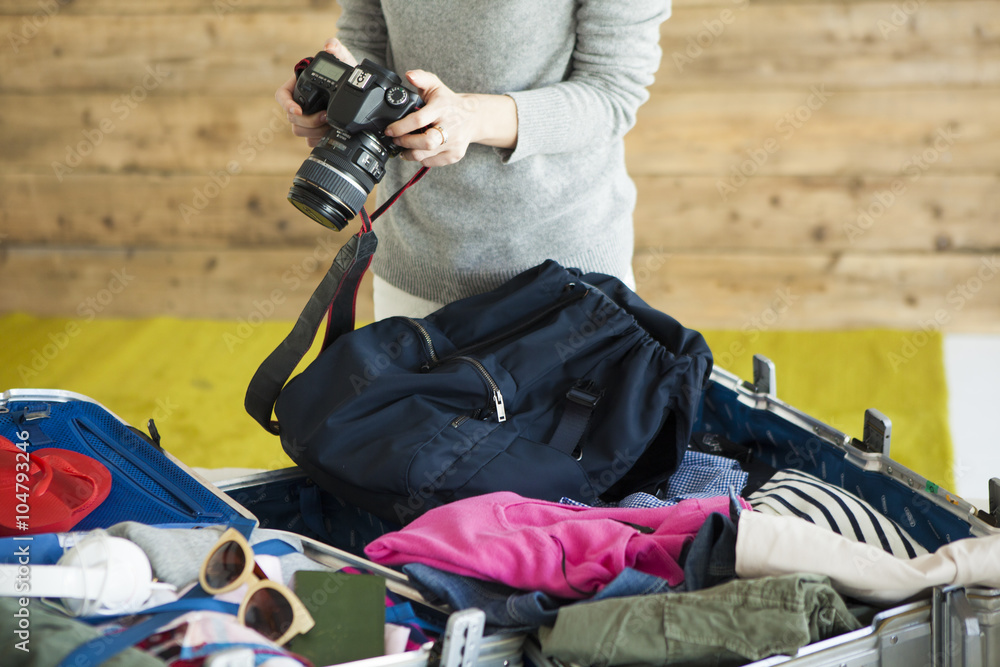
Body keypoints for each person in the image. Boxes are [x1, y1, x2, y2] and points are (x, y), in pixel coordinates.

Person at [276, 0, 672, 320]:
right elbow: (365, 38)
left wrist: (470, 117)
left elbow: (612, 91)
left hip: (567, 271)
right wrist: (343, 93)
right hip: (416, 262)